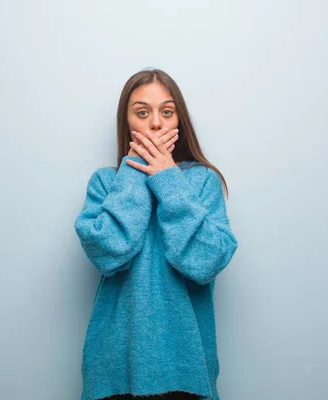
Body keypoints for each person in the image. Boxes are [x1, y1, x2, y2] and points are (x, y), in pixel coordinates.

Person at [74, 67, 239, 400]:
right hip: (114, 369)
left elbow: (205, 264)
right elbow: (108, 253)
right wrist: (134, 172)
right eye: (142, 112)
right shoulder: (107, 183)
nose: (155, 123)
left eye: (166, 111)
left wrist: (168, 181)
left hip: (186, 369)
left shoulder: (202, 182)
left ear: (179, 121)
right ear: (127, 123)